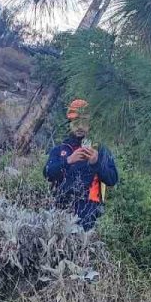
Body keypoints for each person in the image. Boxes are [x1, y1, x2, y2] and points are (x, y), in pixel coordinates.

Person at [44, 98, 118, 230]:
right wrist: (68, 161)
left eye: (83, 122)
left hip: (89, 211)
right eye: (76, 122)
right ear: (70, 123)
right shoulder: (60, 149)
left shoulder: (100, 150)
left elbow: (112, 179)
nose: (79, 126)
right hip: (60, 208)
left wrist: (96, 163)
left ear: (90, 124)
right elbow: (48, 173)